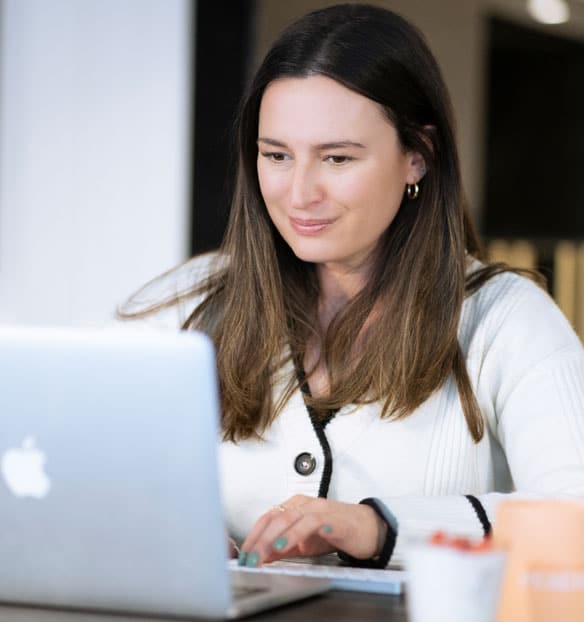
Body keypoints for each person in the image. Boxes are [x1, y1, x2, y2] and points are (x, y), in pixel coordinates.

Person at [118, 3, 584, 569]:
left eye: (337, 158)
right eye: (277, 156)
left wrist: (378, 526)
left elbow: (575, 515)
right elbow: (84, 470)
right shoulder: (188, 301)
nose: (299, 193)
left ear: (418, 155)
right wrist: (154, 526)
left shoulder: (507, 318)